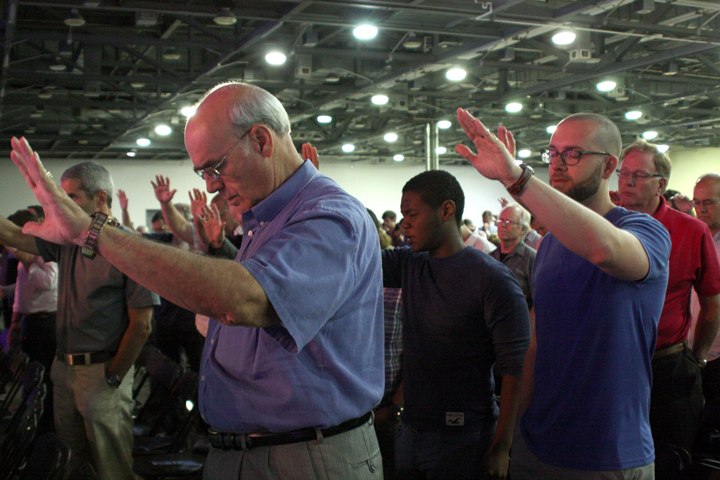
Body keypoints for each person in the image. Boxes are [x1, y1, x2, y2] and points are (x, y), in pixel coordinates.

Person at [9, 80, 384, 479]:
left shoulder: (329, 214)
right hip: (256, 450)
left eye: (215, 167)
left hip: (302, 457)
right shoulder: (265, 219)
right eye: (203, 172)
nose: (211, 185)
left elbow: (242, 300)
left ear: (261, 140)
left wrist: (94, 231)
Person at [455, 109, 670, 479]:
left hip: (609, 452)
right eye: (553, 153)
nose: (557, 163)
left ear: (608, 166)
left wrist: (516, 178)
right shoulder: (551, 245)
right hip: (538, 443)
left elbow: (604, 249)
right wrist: (509, 435)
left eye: (573, 154)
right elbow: (536, 343)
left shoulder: (644, 231)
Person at [0, 161, 158, 480]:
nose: (63, 205)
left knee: (110, 467)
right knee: (71, 464)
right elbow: (15, 235)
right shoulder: (72, 241)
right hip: (65, 369)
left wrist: (113, 376)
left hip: (100, 371)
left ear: (100, 198)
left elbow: (142, 324)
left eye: (71, 197)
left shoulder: (131, 247)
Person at [382, 170, 531, 479]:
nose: (404, 224)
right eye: (402, 215)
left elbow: (515, 365)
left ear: (446, 210)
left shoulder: (491, 278)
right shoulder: (410, 264)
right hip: (410, 432)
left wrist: (502, 446)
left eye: (412, 214)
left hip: (464, 438)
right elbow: (357, 258)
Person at [617, 140, 720, 454]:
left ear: (661, 184)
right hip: (610, 363)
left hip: (667, 367)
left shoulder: (691, 230)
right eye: (623, 173)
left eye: (638, 175)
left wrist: (697, 358)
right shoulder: (602, 222)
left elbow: (712, 305)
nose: (627, 182)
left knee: (671, 457)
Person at [689, 173, 720, 403]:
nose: (701, 209)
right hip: (688, 350)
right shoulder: (692, 235)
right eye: (697, 202)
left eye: (708, 202)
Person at [490, 203, 536, 310]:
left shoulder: (532, 258)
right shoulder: (490, 257)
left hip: (519, 319)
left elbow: (538, 301)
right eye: (500, 220)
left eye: (508, 221)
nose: (503, 225)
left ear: (522, 229)